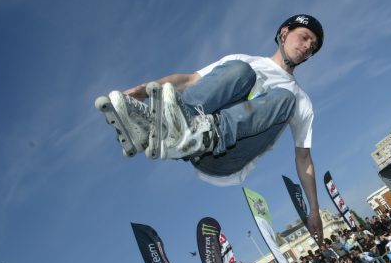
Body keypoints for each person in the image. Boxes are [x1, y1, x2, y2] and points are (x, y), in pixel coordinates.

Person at [96, 15, 325, 241]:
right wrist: (142, 91)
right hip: (193, 133)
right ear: (284, 33)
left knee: (284, 98)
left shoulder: (301, 99)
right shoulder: (244, 59)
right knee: (239, 70)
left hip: (226, 157)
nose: (307, 47)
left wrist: (314, 209)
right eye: (304, 38)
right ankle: (164, 128)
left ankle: (200, 134)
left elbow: (304, 158)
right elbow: (189, 81)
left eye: (312, 47)